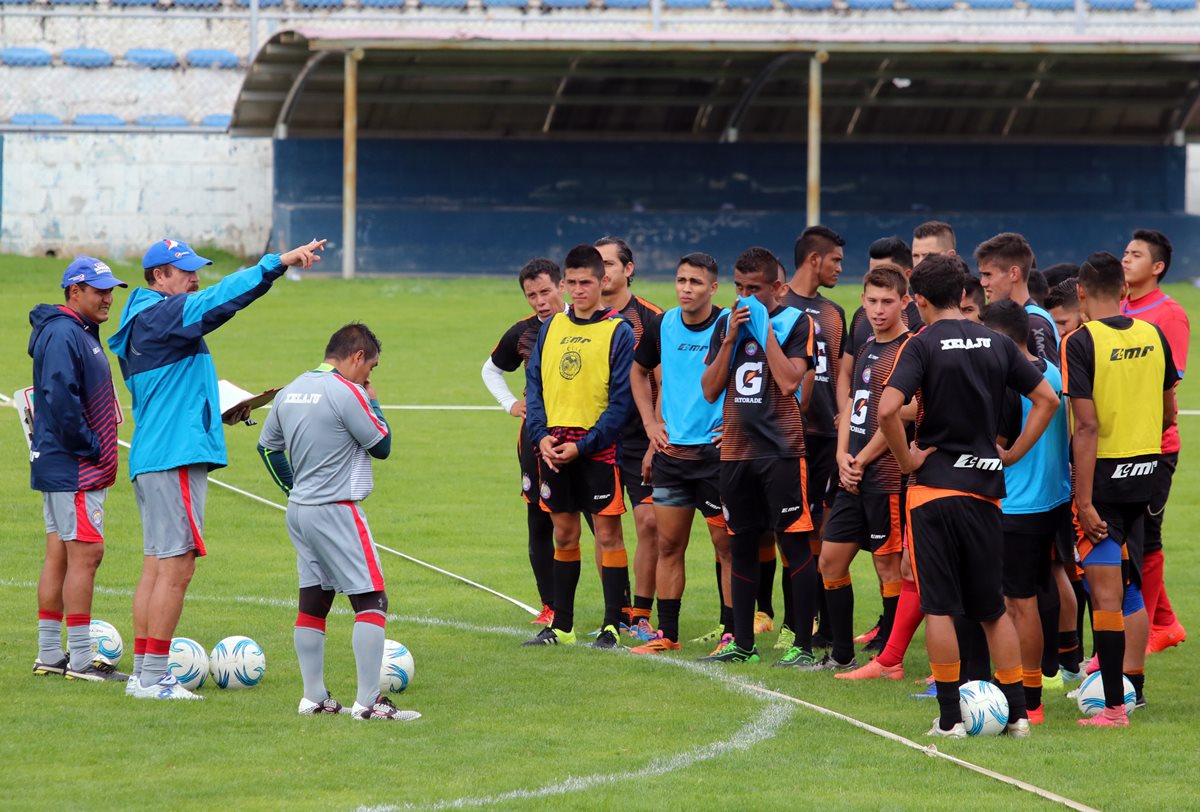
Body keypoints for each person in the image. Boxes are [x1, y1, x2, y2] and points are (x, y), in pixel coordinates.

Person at [109, 237, 326, 700]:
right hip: (175, 456)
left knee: (157, 565)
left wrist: (220, 411)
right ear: (158, 277)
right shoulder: (164, 314)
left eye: (195, 269)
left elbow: (168, 390)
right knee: (177, 566)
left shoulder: (144, 320)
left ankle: (143, 673)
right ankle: (154, 678)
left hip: (154, 454)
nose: (194, 278)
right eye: (184, 271)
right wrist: (276, 264)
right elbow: (220, 300)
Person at [877, 254, 1059, 738]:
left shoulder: (920, 343)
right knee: (993, 609)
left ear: (917, 300)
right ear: (963, 294)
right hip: (985, 490)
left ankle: (950, 720)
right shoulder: (997, 342)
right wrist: (1013, 453)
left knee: (939, 607)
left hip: (933, 490)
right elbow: (1047, 399)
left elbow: (888, 409)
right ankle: (1018, 716)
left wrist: (907, 460)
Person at [258, 323, 419, 721]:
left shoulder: (292, 389)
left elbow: (267, 449)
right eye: (371, 368)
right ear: (357, 356)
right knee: (372, 599)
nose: (369, 377)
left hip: (300, 511)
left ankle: (313, 697)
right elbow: (382, 445)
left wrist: (295, 489)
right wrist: (374, 402)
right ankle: (369, 703)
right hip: (337, 509)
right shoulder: (348, 392)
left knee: (314, 600)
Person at [1063, 251, 1177, 726]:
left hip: (1104, 484)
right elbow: (1169, 411)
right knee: (1128, 584)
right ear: (1125, 290)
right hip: (1147, 477)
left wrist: (1084, 500)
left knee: (1105, 595)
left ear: (1081, 293)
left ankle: (1113, 709)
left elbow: (1086, 426)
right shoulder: (1153, 334)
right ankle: (1134, 687)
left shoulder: (1081, 340)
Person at [698, 247, 815, 665]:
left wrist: (764, 332)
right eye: (740, 288)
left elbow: (789, 382)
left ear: (778, 288)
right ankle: (742, 643)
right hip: (735, 453)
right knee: (742, 546)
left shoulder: (797, 322)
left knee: (794, 545)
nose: (745, 297)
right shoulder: (726, 323)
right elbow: (709, 389)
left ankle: (803, 645)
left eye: (754, 289)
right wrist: (731, 338)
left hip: (781, 451)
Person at [522, 245, 635, 649]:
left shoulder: (618, 330)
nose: (578, 290)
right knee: (565, 535)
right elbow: (534, 386)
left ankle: (612, 625)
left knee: (607, 535)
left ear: (602, 282)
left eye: (586, 282)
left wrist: (583, 446)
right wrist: (540, 436)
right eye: (571, 283)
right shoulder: (552, 327)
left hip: (596, 450)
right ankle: (563, 627)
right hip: (553, 447)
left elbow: (620, 403)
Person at [29, 257, 128, 682]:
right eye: (99, 291)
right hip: (75, 468)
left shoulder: (75, 330)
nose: (108, 298)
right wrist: (91, 446)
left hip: (65, 465)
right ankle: (83, 661)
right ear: (74, 291)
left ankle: (51, 653)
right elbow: (59, 396)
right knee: (87, 555)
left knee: (60, 554)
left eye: (110, 291)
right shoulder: (65, 332)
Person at [628, 252, 732, 654]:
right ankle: (667, 635)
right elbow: (639, 371)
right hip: (672, 457)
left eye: (695, 282)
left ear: (713, 288)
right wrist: (650, 425)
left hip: (715, 458)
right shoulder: (663, 324)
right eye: (681, 280)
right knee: (669, 546)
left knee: (726, 547)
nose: (686, 289)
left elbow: (754, 378)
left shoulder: (728, 324)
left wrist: (737, 426)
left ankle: (732, 634)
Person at [983, 301, 1072, 725]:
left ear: (1001, 338)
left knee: (1018, 604)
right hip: (1051, 500)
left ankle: (1029, 699)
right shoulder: (1049, 371)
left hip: (1017, 505)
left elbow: (996, 447)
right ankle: (1027, 688)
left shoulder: (1010, 381)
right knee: (1030, 595)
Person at [818, 266, 911, 672]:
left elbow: (908, 412)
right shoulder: (867, 344)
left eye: (887, 301)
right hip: (851, 472)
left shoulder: (911, 348)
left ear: (905, 301)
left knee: (887, 566)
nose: (878, 309)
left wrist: (862, 459)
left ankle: (889, 656)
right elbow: (853, 405)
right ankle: (842, 653)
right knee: (830, 560)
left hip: (886, 476)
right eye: (872, 301)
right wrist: (842, 455)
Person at [481, 258, 565, 626]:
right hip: (534, 440)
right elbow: (490, 370)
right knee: (539, 521)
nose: (540, 301)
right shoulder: (523, 332)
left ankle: (622, 612)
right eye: (532, 295)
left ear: (562, 286)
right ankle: (550, 606)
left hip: (586, 438)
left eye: (545, 292)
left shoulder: (593, 327)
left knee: (600, 523)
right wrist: (510, 403)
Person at [1120, 229, 1189, 654]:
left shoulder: (1170, 314)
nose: (1126, 260)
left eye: (1136, 255)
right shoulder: (1120, 306)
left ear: (1158, 267)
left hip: (1155, 445)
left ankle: (1142, 634)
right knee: (1125, 538)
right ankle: (1164, 622)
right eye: (1125, 253)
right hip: (1117, 441)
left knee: (1145, 538)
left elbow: (1168, 381)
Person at [784, 225, 850, 652]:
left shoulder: (834, 312)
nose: (840, 268)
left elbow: (840, 372)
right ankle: (794, 623)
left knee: (826, 529)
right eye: (835, 260)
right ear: (814, 259)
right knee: (794, 529)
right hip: (791, 434)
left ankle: (825, 625)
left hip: (828, 432)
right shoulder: (780, 307)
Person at [595, 236, 663, 639]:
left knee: (649, 523)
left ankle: (640, 614)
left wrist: (657, 434)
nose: (602, 271)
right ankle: (615, 613)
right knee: (605, 529)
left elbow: (664, 381)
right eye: (596, 263)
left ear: (628, 269)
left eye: (609, 263)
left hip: (641, 439)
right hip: (596, 439)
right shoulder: (579, 318)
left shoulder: (652, 319)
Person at [975, 232, 1058, 365]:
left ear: (1014, 274)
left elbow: (1049, 376)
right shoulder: (1027, 317)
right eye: (981, 275)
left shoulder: (1035, 323)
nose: (983, 283)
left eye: (988, 275)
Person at [847, 237, 923, 359]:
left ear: (907, 275)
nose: (878, 279)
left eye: (886, 273)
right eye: (873, 273)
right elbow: (848, 367)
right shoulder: (861, 314)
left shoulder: (922, 318)